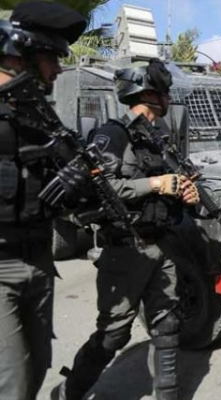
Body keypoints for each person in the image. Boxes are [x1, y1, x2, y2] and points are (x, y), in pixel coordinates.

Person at [51, 59, 200, 400]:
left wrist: (185, 193)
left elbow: (171, 186)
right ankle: (68, 392)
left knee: (167, 324)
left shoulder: (157, 138)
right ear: (147, 94)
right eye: (163, 92)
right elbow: (102, 188)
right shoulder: (112, 134)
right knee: (114, 333)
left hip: (162, 243)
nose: (168, 98)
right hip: (126, 248)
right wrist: (156, 183)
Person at [0, 3, 87, 399]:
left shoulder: (37, 114)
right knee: (13, 384)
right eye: (52, 57)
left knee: (37, 366)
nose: (59, 69)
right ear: (24, 53)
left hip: (39, 257)